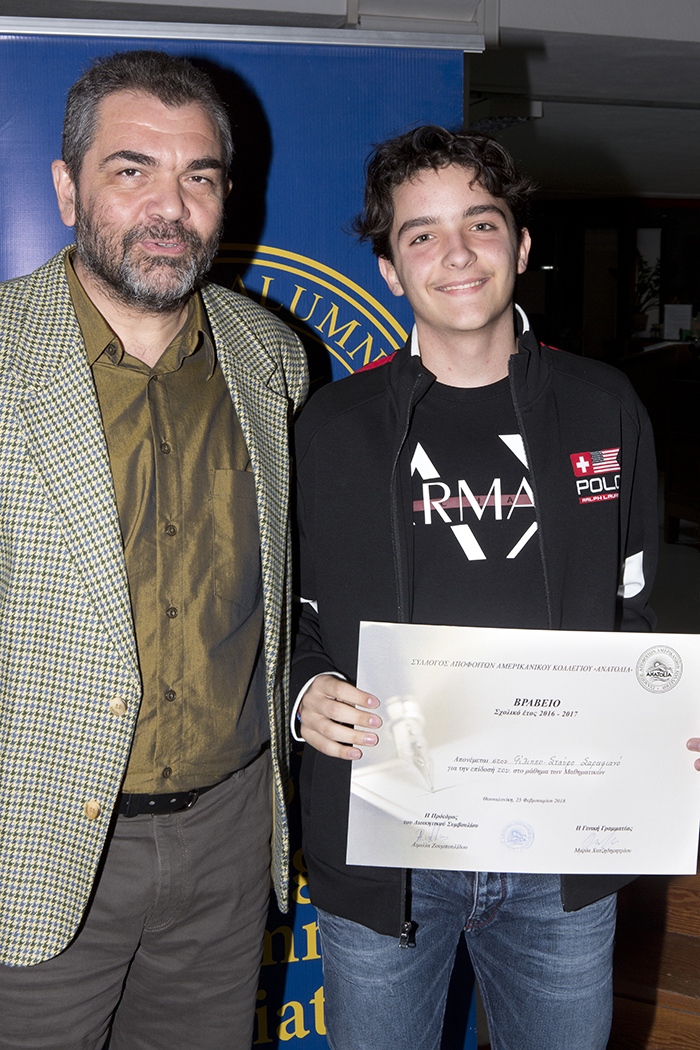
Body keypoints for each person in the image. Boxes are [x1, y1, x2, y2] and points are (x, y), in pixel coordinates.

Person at [291, 126, 659, 1050]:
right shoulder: (329, 428)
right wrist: (305, 692)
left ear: (521, 246)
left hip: (562, 859)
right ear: (388, 269)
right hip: (386, 854)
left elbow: (636, 608)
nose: (456, 254)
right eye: (422, 234)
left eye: (481, 224)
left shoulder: (605, 406)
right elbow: (286, 610)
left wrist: (663, 718)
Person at [0, 50, 307, 1050]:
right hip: (32, 846)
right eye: (132, 170)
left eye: (198, 176)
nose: (170, 208)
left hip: (226, 844)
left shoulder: (272, 357)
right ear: (67, 188)